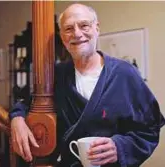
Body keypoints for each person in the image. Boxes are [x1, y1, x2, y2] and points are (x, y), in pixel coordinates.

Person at [10, 3, 165, 167]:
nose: (77, 34)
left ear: (97, 28)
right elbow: (27, 103)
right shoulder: (57, 75)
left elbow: (150, 128)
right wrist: (17, 119)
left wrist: (120, 147)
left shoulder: (125, 73)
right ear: (62, 36)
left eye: (84, 25)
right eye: (69, 29)